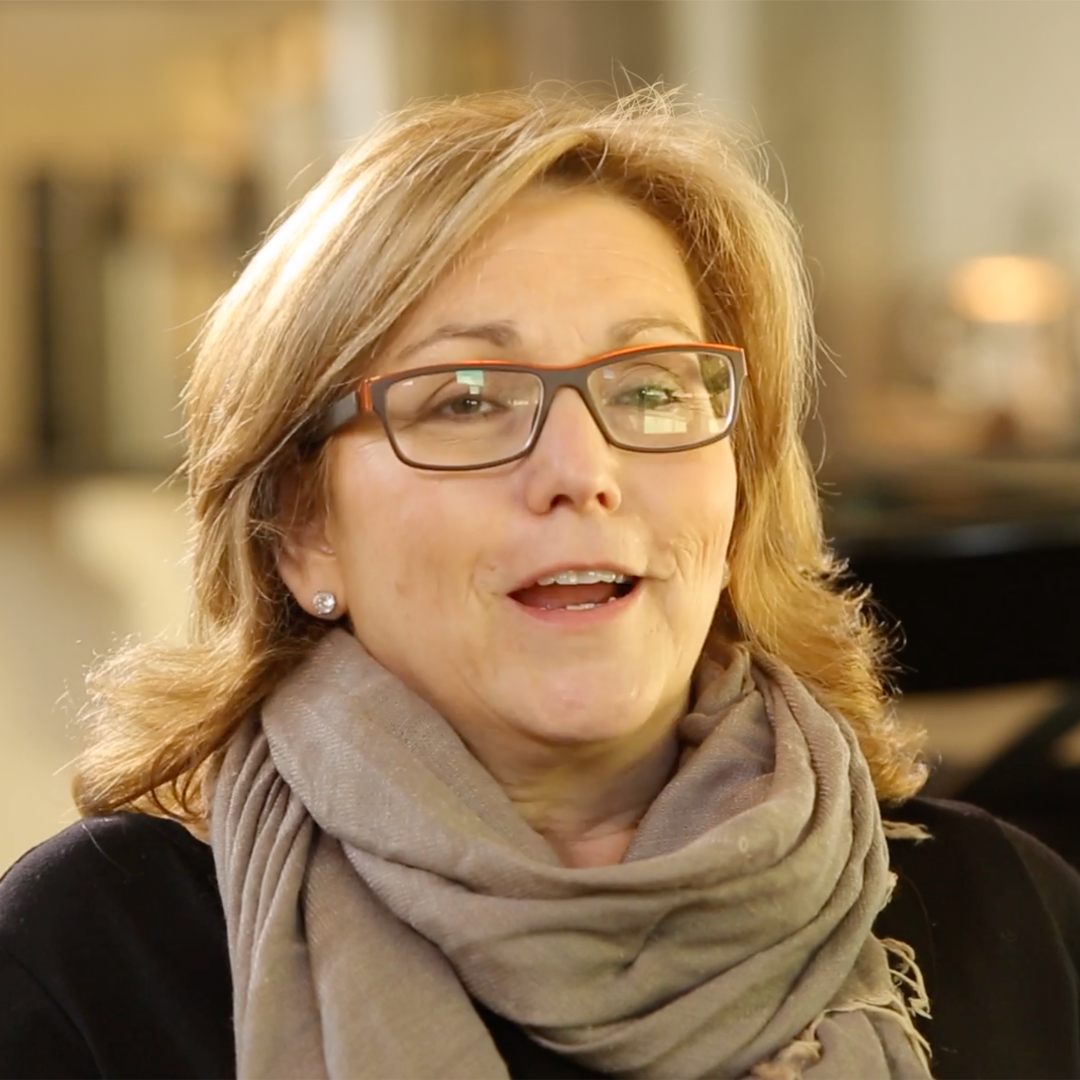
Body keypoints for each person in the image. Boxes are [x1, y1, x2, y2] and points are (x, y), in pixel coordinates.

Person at [1, 87, 1078, 1080]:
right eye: (467, 400)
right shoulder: (98, 956)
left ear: (738, 486)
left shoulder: (1010, 914)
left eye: (653, 388)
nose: (583, 473)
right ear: (303, 527)